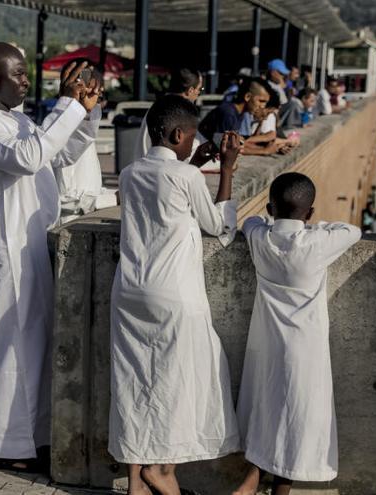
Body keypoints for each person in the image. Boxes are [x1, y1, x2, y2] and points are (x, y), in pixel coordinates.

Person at [0, 42, 101, 471]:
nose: (25, 81)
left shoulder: (15, 119)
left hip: (30, 242)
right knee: (8, 343)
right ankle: (0, 444)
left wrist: (84, 112)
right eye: (18, 74)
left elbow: (58, 154)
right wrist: (66, 105)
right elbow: (29, 157)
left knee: (33, 341)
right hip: (6, 246)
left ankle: (24, 440)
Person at [109, 95, 243, 495]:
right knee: (178, 382)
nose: (194, 143)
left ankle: (135, 480)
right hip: (174, 295)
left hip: (130, 290)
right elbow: (218, 226)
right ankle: (162, 471)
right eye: (191, 137)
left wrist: (194, 162)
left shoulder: (130, 173)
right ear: (179, 133)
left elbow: (164, 191)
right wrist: (227, 169)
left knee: (132, 383)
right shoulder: (186, 178)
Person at [233, 172, 361, 495]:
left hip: (267, 345)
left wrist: (271, 221)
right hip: (305, 350)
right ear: (310, 213)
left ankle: (250, 482)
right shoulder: (315, 244)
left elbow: (249, 222)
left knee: (268, 412)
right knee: (296, 422)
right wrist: (312, 227)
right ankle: (272, 488)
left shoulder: (261, 239)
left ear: (271, 208)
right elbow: (353, 231)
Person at [51, 59, 117, 224]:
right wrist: (112, 199)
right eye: (90, 92)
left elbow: (90, 187)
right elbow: (62, 200)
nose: (96, 102)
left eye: (99, 96)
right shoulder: (62, 131)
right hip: (67, 227)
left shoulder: (84, 128)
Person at [200, 79, 280, 156]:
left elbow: (240, 142)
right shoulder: (228, 113)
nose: (263, 106)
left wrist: (270, 148)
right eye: (261, 101)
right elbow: (227, 148)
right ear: (247, 96)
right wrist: (264, 151)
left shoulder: (240, 113)